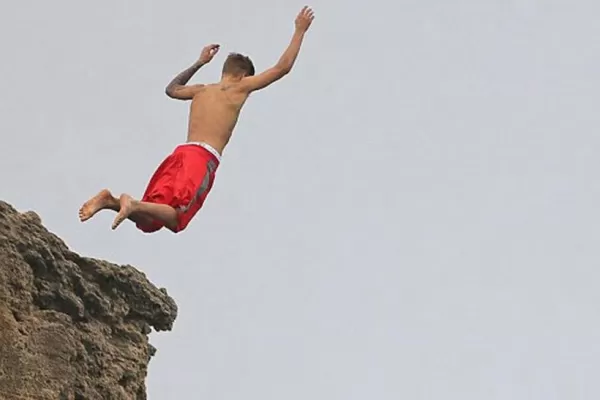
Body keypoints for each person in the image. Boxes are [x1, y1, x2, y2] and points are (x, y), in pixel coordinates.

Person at [78, 6, 315, 233]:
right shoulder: (239, 87)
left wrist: (200, 62)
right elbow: (282, 68)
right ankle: (133, 204)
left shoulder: (201, 90)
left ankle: (110, 201)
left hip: (180, 153)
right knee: (178, 218)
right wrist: (299, 30)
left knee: (150, 222)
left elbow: (171, 89)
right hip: (202, 158)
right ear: (242, 75)